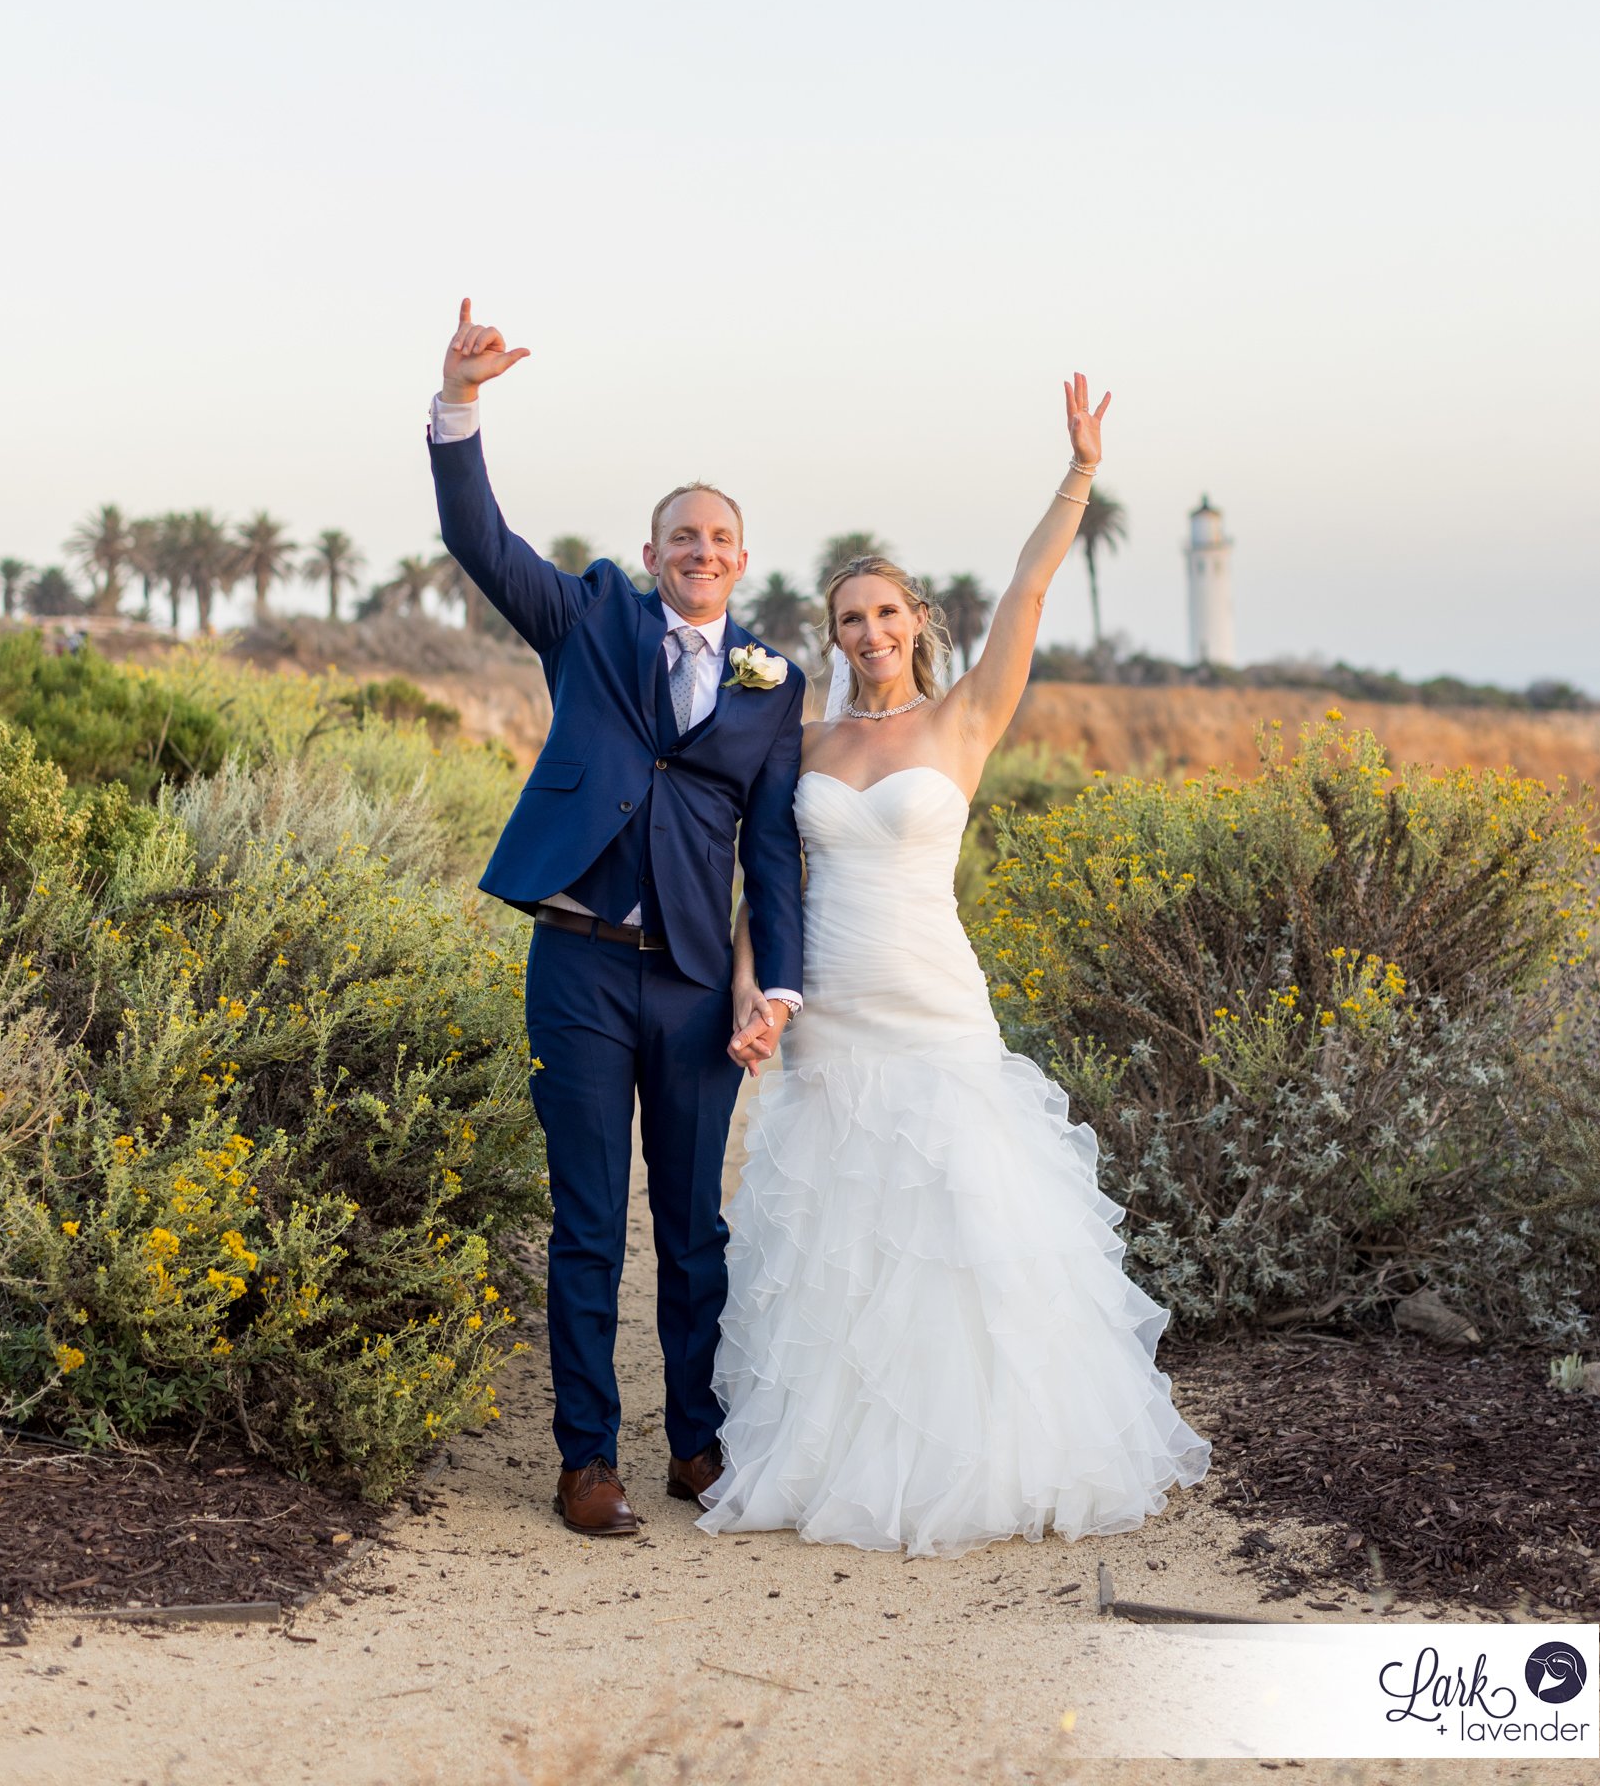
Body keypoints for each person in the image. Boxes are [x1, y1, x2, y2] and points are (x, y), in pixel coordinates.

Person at [700, 375, 1211, 1557]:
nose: (868, 635)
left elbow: (1030, 586)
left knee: (959, 1220)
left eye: (884, 615)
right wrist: (749, 992)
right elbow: (766, 884)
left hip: (931, 1003)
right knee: (840, 1237)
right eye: (847, 621)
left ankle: (979, 1454)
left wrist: (1078, 471)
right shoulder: (809, 740)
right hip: (828, 1011)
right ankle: (833, 1451)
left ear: (916, 621)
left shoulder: (968, 718)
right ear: (831, 638)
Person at [428, 301, 805, 1538]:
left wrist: (774, 984)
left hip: (696, 983)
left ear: (741, 565)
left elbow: (770, 851)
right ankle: (585, 1457)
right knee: (589, 1223)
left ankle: (695, 1443)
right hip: (577, 968)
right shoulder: (587, 620)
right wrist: (462, 407)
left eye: (719, 539)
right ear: (650, 556)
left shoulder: (773, 686)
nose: (699, 550)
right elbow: (483, 543)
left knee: (693, 1229)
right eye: (680, 535)